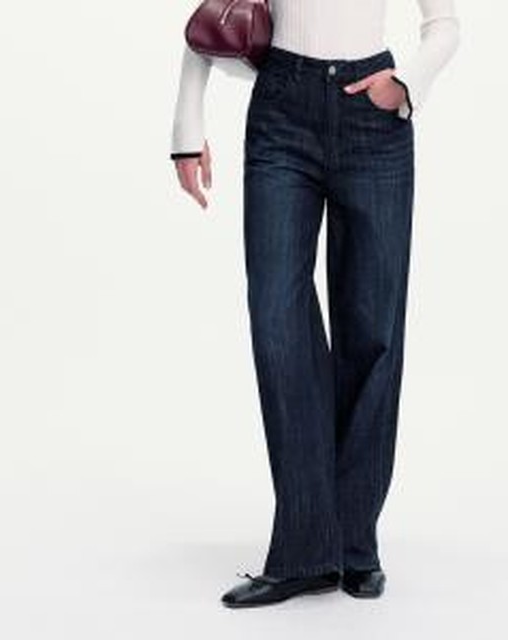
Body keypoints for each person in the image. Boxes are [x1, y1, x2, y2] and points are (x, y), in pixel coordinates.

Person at [169, 0, 460, 608]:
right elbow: (213, 14)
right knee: (276, 316)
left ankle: (353, 544)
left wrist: (407, 84)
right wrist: (186, 131)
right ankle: (305, 549)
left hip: (374, 116)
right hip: (282, 108)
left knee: (372, 329)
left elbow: (444, 26)